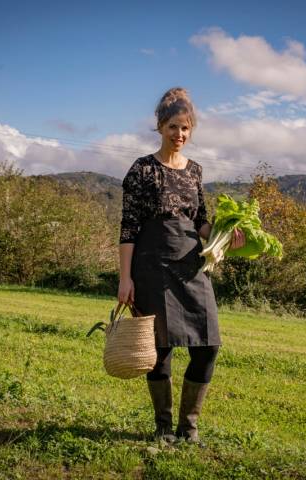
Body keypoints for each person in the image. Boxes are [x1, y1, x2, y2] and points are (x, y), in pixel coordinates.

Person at [117, 87, 244, 444]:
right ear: (160, 126)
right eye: (173, 127)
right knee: (160, 349)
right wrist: (124, 278)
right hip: (151, 265)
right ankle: (163, 428)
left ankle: (189, 428)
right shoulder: (142, 170)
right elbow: (128, 228)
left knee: (209, 346)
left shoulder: (195, 171)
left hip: (191, 265)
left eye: (186, 128)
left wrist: (225, 233)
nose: (180, 135)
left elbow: (199, 221)